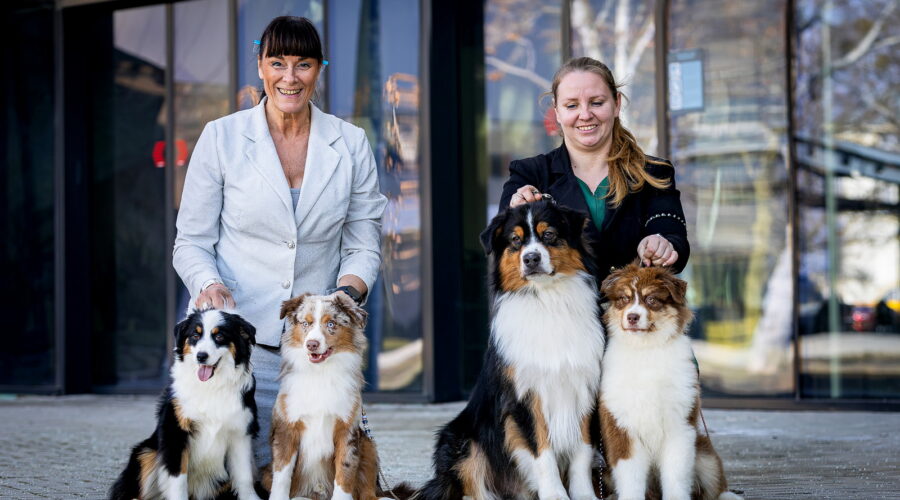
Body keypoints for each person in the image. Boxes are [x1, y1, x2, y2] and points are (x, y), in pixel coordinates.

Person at [173, 16, 387, 466]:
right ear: (260, 66)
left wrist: (344, 297)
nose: (290, 77)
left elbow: (363, 244)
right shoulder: (221, 137)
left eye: (303, 64)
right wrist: (208, 283)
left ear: (319, 69)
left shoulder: (351, 143)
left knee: (319, 477)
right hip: (234, 348)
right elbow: (191, 241)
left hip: (313, 349)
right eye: (278, 63)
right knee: (228, 479)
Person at [495, 56, 689, 286]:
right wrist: (514, 209)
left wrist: (663, 245)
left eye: (596, 103)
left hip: (631, 307)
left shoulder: (654, 173)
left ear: (616, 104)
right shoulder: (530, 173)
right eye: (572, 105)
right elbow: (502, 243)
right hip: (558, 309)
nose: (585, 114)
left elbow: (674, 238)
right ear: (557, 111)